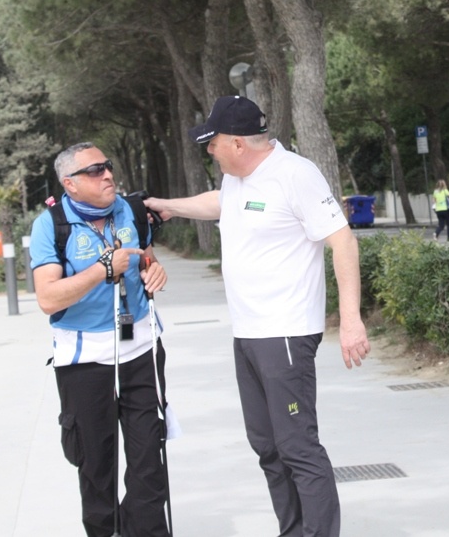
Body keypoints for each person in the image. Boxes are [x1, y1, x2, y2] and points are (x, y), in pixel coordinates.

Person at [144, 95, 370, 537]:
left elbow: (343, 241)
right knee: (267, 447)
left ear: (237, 144)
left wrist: (351, 321)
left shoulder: (295, 174)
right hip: (248, 334)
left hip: (285, 333)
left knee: (297, 446)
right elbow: (219, 203)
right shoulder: (237, 179)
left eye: (212, 143)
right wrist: (169, 205)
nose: (209, 150)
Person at [29, 142, 170, 536]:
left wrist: (154, 270)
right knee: (96, 467)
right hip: (85, 360)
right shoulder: (50, 226)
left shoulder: (131, 210)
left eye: (107, 166)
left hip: (140, 348)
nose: (107, 174)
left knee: (149, 464)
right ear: (69, 183)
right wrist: (103, 269)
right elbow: (47, 298)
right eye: (94, 171)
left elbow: (147, 258)